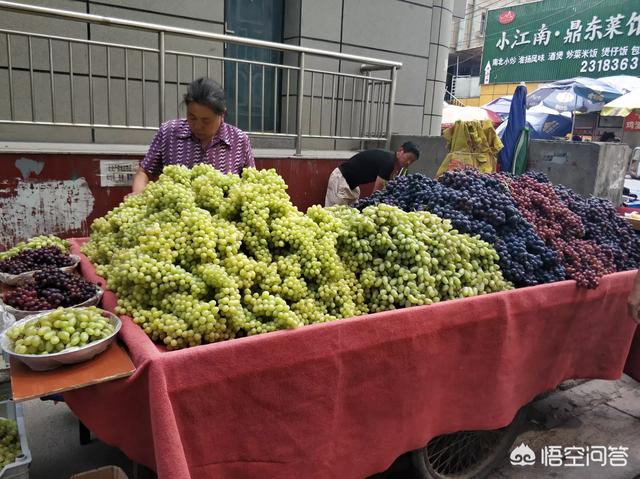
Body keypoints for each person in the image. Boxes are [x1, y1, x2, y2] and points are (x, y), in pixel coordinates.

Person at [131, 77, 255, 194]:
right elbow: (144, 172)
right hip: (178, 214)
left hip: (222, 215)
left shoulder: (239, 140)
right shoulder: (169, 132)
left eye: (206, 120)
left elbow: (252, 182)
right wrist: (138, 194)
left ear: (222, 114)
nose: (198, 126)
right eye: (192, 117)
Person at [324, 142, 420, 207]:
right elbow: (378, 191)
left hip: (351, 185)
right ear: (400, 151)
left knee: (349, 216)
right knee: (334, 214)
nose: (408, 162)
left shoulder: (392, 163)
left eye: (412, 161)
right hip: (341, 180)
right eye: (408, 158)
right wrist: (374, 206)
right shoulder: (389, 162)